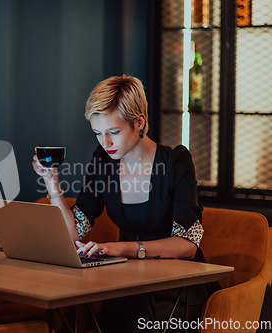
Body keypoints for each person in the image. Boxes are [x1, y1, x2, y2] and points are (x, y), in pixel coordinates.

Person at [32, 75, 216, 332]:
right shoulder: (103, 160)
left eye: (113, 132)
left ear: (139, 122)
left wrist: (121, 249)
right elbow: (73, 232)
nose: (105, 143)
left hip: (176, 288)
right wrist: (52, 182)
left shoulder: (176, 162)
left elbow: (187, 246)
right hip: (126, 282)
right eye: (97, 133)